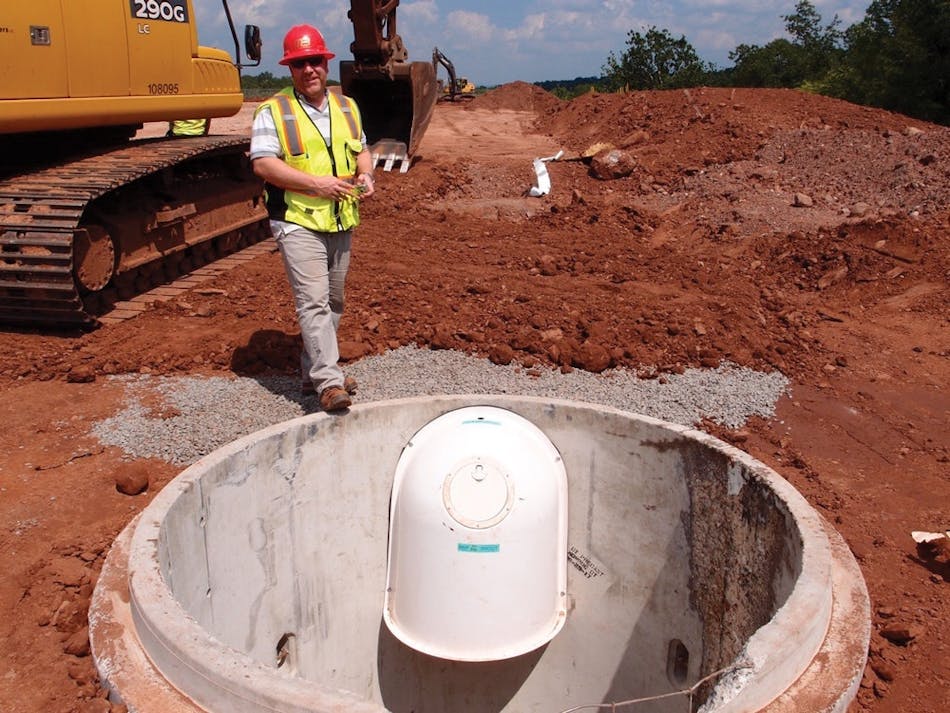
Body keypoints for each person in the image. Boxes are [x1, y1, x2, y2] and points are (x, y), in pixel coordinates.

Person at [249, 24, 375, 413]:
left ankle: (311, 372)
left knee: (334, 301)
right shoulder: (274, 111)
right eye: (300, 63)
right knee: (314, 302)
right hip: (297, 220)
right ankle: (328, 381)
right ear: (290, 69)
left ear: (326, 63)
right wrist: (316, 185)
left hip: (340, 219)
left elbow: (362, 151)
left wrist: (367, 174)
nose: (309, 70)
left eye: (315, 62)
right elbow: (264, 164)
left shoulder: (347, 107)